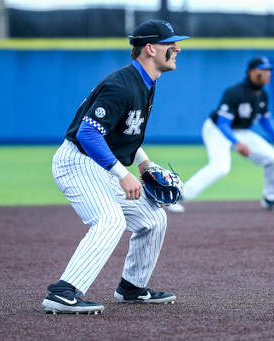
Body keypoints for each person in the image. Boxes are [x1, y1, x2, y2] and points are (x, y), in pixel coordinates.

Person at [41, 19, 189, 315]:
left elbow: (123, 133)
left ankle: (132, 287)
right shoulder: (123, 85)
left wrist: (144, 164)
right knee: (110, 220)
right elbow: (88, 133)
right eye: (170, 44)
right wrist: (123, 175)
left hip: (97, 162)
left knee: (153, 219)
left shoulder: (145, 82)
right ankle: (63, 291)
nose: (178, 48)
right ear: (150, 49)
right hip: (77, 162)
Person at [167, 56, 274, 214]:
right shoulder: (235, 92)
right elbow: (223, 123)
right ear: (251, 73)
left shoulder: (262, 95)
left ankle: (270, 199)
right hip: (217, 130)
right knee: (221, 167)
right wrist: (236, 143)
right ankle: (176, 196)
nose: (267, 73)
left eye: (269, 70)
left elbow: (266, 121)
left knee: (273, 158)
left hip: (240, 131)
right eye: (263, 70)